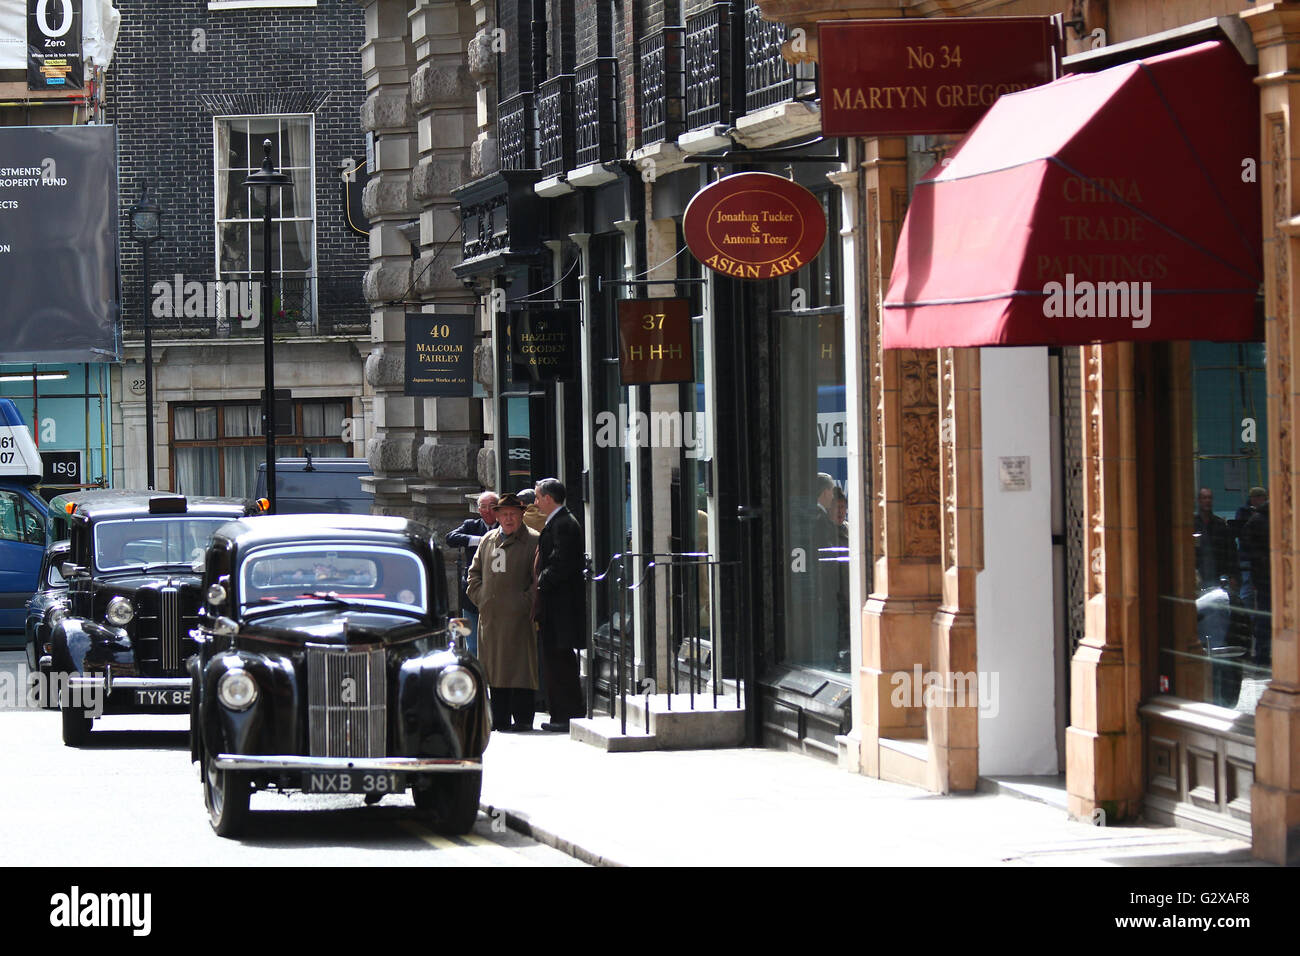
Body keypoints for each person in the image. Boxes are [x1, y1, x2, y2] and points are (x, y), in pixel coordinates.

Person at [466, 493, 539, 732]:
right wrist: (481, 598)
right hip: (491, 618)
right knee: (494, 669)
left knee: (520, 668)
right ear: (497, 516)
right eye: (504, 514)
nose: (508, 519)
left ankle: (523, 719)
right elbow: (473, 574)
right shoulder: (488, 540)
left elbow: (537, 580)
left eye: (513, 515)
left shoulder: (533, 541)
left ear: (521, 515)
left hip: (520, 619)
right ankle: (499, 720)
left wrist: (525, 602)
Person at [533, 477, 587, 732]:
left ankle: (566, 715)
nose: (535, 502)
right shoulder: (557, 521)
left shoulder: (564, 523)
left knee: (560, 661)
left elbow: (560, 563)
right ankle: (562, 714)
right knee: (556, 660)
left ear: (548, 498)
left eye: (537, 497)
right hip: (555, 606)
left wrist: (541, 582)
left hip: (560, 607)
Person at [445, 491, 498, 657]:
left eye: (492, 507)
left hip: (496, 592)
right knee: (471, 642)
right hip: (470, 593)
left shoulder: (504, 526)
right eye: (483, 507)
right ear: (478, 509)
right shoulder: (471, 525)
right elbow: (451, 538)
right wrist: (479, 540)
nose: (487, 511)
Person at [1239, 486, 1272, 666]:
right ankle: (1262, 654)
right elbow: (1248, 543)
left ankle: (1262, 654)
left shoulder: (1257, 519)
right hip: (1265, 575)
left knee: (1265, 615)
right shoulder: (1259, 519)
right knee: (1265, 615)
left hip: (1264, 575)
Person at [1193, 487, 1238, 591]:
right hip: (1198, 575)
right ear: (1199, 501)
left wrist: (1232, 575)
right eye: (1204, 498)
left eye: (1209, 498)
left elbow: (1230, 551)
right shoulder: (1192, 525)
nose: (1207, 501)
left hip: (1218, 574)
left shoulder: (1220, 525)